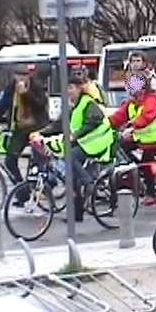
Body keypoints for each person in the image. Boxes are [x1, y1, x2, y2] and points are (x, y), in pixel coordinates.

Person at [38, 76, 115, 221]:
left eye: (71, 88)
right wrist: (40, 133)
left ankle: (88, 182)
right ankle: (77, 214)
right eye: (66, 88)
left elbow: (94, 121)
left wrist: (75, 135)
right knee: (71, 178)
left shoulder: (88, 102)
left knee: (70, 157)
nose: (68, 91)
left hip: (97, 142)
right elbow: (59, 124)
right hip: (84, 142)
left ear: (80, 88)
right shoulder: (72, 105)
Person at [0, 64, 48, 205]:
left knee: (39, 162)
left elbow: (40, 104)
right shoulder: (11, 88)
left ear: (29, 76)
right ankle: (22, 193)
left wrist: (26, 94)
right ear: (14, 77)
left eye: (24, 76)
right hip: (19, 129)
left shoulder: (35, 87)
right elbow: (2, 106)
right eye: (18, 76)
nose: (21, 79)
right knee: (10, 160)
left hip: (36, 128)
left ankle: (47, 183)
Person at [108, 71, 156, 206]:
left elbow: (147, 116)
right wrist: (105, 124)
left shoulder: (152, 99)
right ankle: (134, 170)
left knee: (146, 163)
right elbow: (118, 117)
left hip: (154, 138)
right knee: (121, 147)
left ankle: (151, 193)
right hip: (140, 137)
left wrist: (132, 126)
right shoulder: (132, 102)